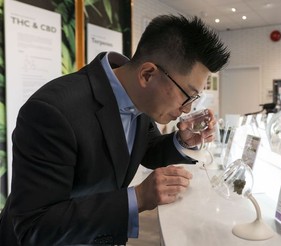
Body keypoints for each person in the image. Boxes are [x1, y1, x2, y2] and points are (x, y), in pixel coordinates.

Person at [0, 14, 230, 245]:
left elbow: (145, 148)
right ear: (147, 74)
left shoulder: (138, 99)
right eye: (187, 95)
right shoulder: (53, 111)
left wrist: (182, 140)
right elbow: (35, 226)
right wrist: (138, 198)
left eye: (195, 98)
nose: (187, 108)